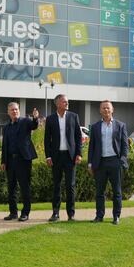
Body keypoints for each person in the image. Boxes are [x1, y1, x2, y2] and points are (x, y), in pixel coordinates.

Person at [87, 100, 129, 225]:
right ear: (100, 110)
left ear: (112, 109)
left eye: (108, 108)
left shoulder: (120, 125)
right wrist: (90, 163)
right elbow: (91, 147)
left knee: (117, 191)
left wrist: (122, 160)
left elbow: (125, 145)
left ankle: (116, 216)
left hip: (115, 161)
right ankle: (99, 216)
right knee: (99, 192)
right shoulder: (95, 127)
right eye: (103, 108)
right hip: (100, 163)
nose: (106, 110)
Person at [44, 93, 83, 222]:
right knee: (56, 185)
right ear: (57, 104)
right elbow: (46, 140)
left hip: (70, 157)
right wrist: (48, 156)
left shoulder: (73, 116)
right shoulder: (50, 119)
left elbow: (78, 137)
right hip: (55, 157)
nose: (67, 103)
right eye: (64, 101)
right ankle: (55, 213)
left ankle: (71, 214)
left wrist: (79, 154)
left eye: (67, 101)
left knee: (70, 186)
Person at [0, 102, 40, 222]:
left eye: (16, 109)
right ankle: (13, 213)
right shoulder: (6, 127)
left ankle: (25, 213)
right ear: (8, 112)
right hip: (10, 161)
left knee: (24, 187)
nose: (14, 111)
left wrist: (36, 118)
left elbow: (34, 125)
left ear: (19, 110)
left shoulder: (25, 121)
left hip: (23, 160)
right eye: (12, 110)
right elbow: (4, 145)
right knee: (11, 187)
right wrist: (3, 161)